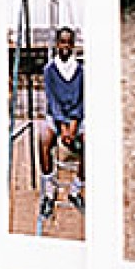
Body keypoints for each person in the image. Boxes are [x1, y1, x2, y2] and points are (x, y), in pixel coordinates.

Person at [38, 26, 85, 218]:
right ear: (57, 44)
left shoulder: (81, 70)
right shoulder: (49, 70)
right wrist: (63, 127)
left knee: (90, 145)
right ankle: (49, 192)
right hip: (56, 117)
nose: (65, 46)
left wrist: (73, 124)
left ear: (73, 45)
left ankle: (75, 190)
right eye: (62, 42)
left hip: (76, 117)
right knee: (43, 141)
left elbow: (82, 99)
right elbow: (53, 101)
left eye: (69, 42)